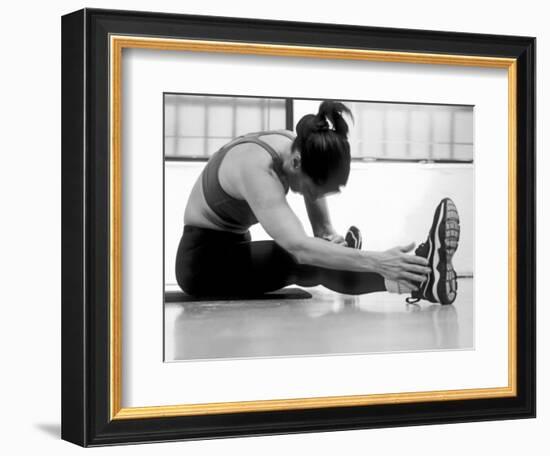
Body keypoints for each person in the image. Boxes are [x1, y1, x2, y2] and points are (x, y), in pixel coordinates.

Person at [175, 100, 460, 305]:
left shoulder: (299, 147)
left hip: (234, 246)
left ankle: (419, 273)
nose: (312, 196)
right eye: (313, 190)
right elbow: (300, 248)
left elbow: (321, 228)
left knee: (320, 252)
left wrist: (331, 241)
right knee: (300, 260)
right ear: (297, 163)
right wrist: (374, 260)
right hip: (202, 263)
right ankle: (421, 280)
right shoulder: (256, 167)